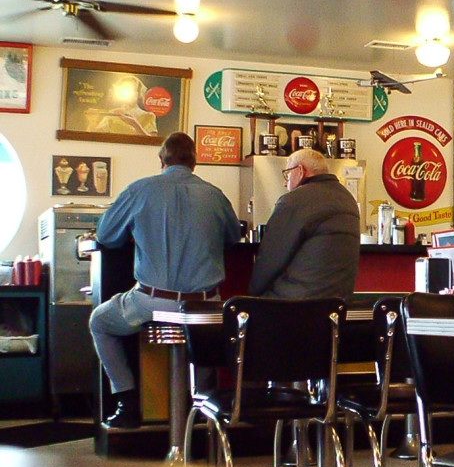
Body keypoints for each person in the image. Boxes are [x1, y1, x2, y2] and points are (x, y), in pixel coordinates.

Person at [89, 132, 240, 428]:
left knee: (99, 322)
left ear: (162, 160)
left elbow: (106, 236)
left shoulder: (139, 190)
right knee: (208, 334)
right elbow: (233, 238)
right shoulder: (215, 194)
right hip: (206, 306)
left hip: (153, 302)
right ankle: (206, 408)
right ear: (195, 161)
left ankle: (128, 402)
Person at [247, 148, 360, 300]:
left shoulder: (295, 200)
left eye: (287, 174)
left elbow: (271, 259)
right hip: (335, 306)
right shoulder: (347, 199)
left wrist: (252, 295)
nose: (284, 182)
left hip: (295, 305)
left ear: (300, 170)